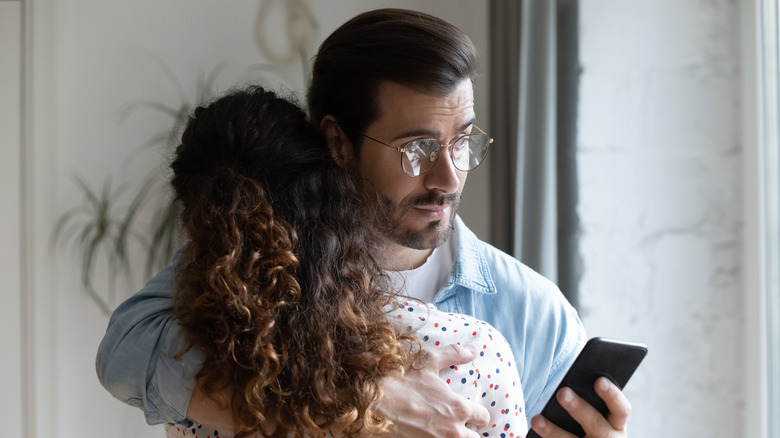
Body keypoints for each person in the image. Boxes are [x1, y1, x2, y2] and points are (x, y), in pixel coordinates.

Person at [97, 8, 632, 438]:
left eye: (463, 142)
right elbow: (126, 357)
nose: (448, 177)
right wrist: (357, 402)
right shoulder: (257, 263)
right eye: (417, 148)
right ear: (338, 143)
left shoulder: (533, 314)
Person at [156, 85, 528, 437]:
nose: (447, 178)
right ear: (331, 188)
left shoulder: (189, 364)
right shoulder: (471, 353)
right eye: (417, 147)